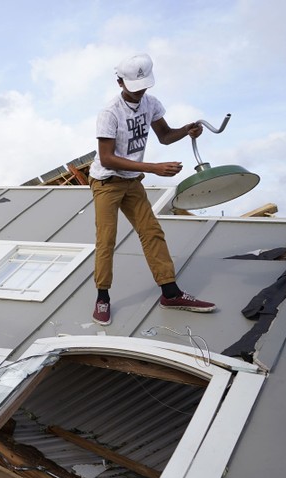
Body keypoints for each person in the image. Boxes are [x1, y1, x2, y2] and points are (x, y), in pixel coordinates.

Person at [89, 53, 216, 326]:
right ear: (119, 82)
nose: (140, 93)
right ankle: (103, 297)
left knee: (152, 232)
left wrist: (186, 130)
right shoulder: (109, 113)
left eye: (144, 87)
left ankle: (170, 293)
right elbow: (107, 157)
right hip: (106, 182)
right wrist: (154, 168)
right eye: (134, 88)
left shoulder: (151, 104)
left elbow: (165, 136)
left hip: (132, 181)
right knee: (107, 239)